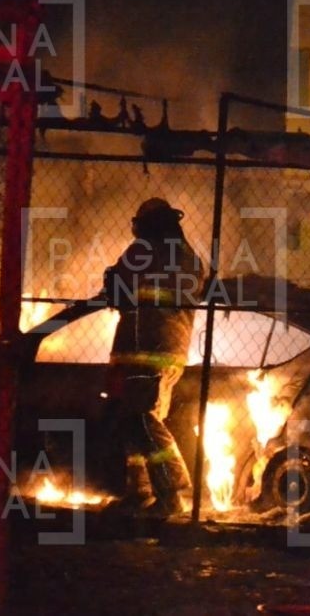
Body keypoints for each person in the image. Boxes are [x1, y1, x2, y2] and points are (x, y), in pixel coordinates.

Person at [102, 197, 205, 515]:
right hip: (160, 349)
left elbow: (115, 283)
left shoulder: (145, 251)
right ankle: (141, 491)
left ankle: (170, 492)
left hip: (148, 349)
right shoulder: (189, 257)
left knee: (143, 419)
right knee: (134, 420)